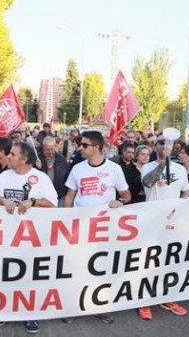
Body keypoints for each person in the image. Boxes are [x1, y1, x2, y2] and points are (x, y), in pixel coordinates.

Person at [0, 142, 58, 333]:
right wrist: (3, 200)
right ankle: (3, 310)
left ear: (24, 159)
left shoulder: (41, 178)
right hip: (6, 238)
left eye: (12, 154)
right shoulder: (4, 176)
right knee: (5, 274)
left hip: (32, 240)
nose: (8, 156)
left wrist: (33, 201)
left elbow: (53, 204)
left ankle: (30, 313)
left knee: (29, 277)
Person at [63, 130, 131, 324]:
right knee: (76, 267)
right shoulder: (77, 169)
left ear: (97, 148)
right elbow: (69, 196)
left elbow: (126, 196)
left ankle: (99, 305)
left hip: (104, 229)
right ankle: (73, 307)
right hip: (80, 227)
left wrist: (120, 202)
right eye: (80, 145)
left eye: (84, 145)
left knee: (100, 269)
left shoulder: (114, 169)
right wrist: (67, 220)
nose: (80, 148)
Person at [138, 135, 189, 320]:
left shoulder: (180, 169)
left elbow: (186, 190)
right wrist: (164, 162)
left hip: (173, 223)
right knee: (149, 262)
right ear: (155, 146)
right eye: (161, 142)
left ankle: (167, 297)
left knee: (170, 262)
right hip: (151, 222)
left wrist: (185, 205)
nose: (166, 145)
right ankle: (143, 300)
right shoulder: (148, 167)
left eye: (169, 143)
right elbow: (148, 183)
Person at [35, 136, 69, 207]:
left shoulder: (61, 159)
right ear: (43, 147)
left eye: (52, 149)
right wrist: (38, 168)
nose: (50, 152)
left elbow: (66, 177)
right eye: (47, 149)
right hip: (42, 198)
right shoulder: (37, 159)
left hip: (59, 197)